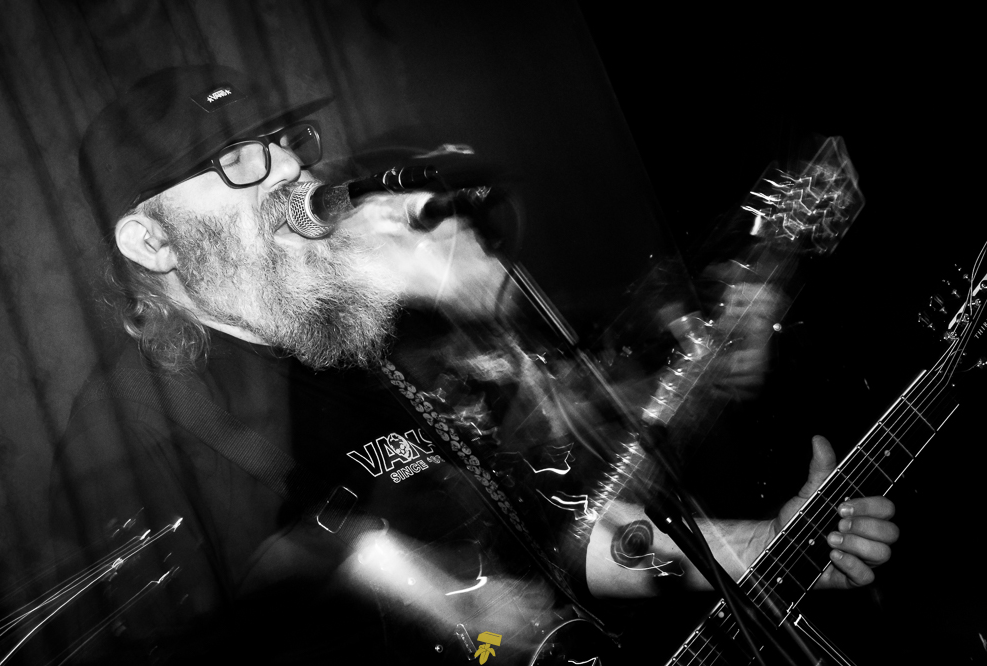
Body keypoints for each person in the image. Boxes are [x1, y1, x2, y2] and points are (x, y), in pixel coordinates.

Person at [49, 65, 898, 665]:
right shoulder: (137, 419)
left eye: (284, 141)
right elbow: (256, 569)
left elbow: (557, 538)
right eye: (237, 158)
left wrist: (765, 548)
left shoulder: (363, 348)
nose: (292, 171)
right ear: (151, 240)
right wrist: (439, 594)